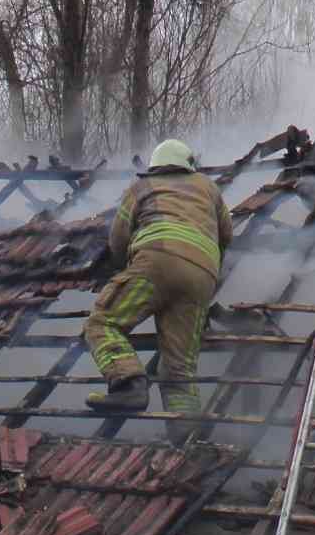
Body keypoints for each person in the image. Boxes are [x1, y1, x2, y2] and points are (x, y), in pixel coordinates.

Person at [83, 139, 232, 431]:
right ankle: (186, 438)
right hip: (202, 276)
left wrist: (121, 268)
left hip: (157, 261)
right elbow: (226, 234)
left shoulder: (141, 188)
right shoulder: (208, 187)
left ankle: (129, 385)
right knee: (179, 370)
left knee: (103, 324)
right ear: (188, 164)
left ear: (155, 167)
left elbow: (118, 239)